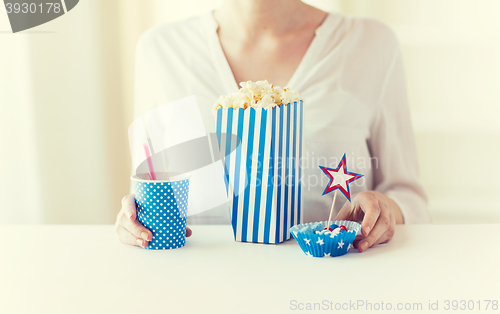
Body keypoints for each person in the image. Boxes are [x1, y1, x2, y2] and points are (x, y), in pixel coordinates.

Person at [115, 0, 431, 252]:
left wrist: (387, 209)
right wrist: (134, 218)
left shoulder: (371, 44)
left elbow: (409, 196)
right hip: (197, 290)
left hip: (331, 285)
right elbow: (147, 186)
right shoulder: (159, 50)